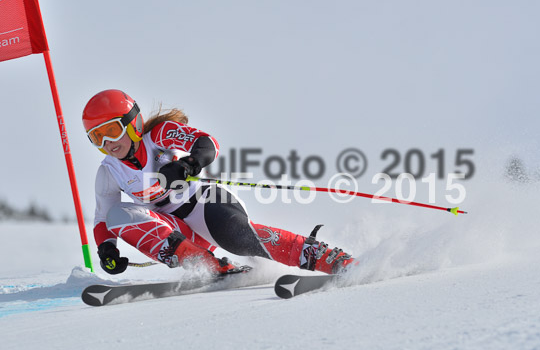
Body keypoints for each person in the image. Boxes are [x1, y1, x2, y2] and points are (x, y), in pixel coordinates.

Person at [83, 89, 355, 276]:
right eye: (97, 137)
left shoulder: (159, 135)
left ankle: (325, 257)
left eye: (111, 131)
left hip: (205, 205)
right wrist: (107, 248)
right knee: (117, 215)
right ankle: (207, 265)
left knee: (239, 239)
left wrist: (188, 164)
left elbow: (206, 143)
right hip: (175, 230)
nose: (107, 143)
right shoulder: (109, 172)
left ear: (132, 123)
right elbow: (102, 219)